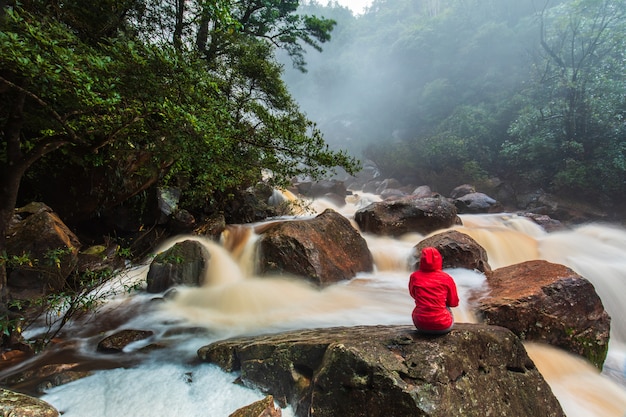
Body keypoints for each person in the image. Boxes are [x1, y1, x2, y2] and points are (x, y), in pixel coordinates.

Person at [408, 246, 459, 334]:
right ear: (439, 260)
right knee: (446, 306)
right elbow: (453, 303)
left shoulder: (414, 277)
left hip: (420, 324)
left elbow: (413, 295)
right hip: (443, 326)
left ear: (422, 261)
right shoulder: (446, 278)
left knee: (420, 306)